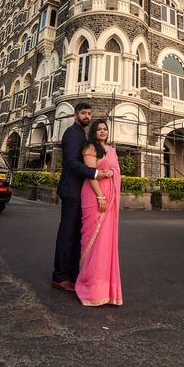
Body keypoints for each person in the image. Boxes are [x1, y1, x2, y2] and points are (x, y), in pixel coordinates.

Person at [52, 103, 113, 292]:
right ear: (76, 114)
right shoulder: (72, 133)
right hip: (71, 190)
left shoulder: (81, 134)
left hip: (79, 191)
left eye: (89, 113)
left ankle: (71, 273)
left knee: (76, 234)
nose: (87, 116)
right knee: (68, 234)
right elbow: (71, 162)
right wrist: (95, 173)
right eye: (83, 113)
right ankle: (60, 276)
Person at [75, 119, 123, 306]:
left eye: (105, 129)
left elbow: (115, 171)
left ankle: (105, 289)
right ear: (93, 132)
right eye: (99, 129)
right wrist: (100, 197)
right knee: (92, 240)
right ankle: (89, 285)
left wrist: (111, 173)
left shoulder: (111, 150)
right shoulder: (90, 148)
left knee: (106, 242)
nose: (102, 132)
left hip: (110, 201)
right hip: (95, 197)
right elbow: (90, 173)